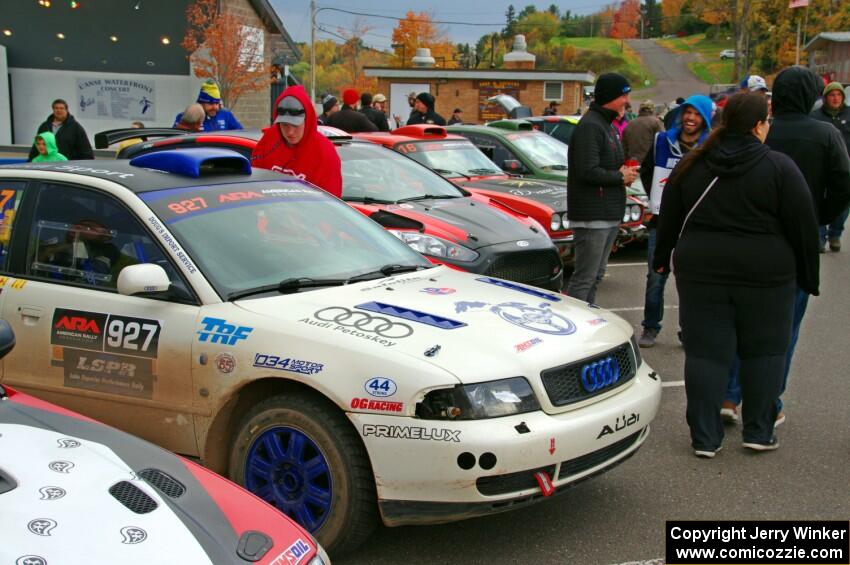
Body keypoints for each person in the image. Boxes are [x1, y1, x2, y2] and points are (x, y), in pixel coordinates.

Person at [653, 92, 820, 457]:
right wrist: (810, 275)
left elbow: (669, 216)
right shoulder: (779, 167)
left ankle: (705, 437)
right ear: (759, 125)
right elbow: (803, 225)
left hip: (701, 270)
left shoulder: (694, 164)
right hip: (767, 272)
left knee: (706, 354)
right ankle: (758, 431)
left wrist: (662, 258)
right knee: (764, 351)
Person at [720, 67, 850, 425]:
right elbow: (844, 183)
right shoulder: (825, 133)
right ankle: (767, 402)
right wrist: (818, 216)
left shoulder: (761, 130)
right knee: (783, 328)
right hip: (798, 241)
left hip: (749, 236)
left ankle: (730, 396)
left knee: (742, 322)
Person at [637, 94, 712, 348]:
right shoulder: (662, 141)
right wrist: (656, 198)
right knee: (656, 276)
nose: (691, 118)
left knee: (691, 281)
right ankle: (650, 326)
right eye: (688, 113)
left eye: (697, 114)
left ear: (705, 118)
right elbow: (646, 171)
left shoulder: (709, 146)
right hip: (662, 221)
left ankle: (688, 330)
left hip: (694, 224)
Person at [566, 72, 638, 304]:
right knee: (585, 278)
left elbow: (607, 166)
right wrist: (619, 176)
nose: (627, 101)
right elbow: (587, 171)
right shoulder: (590, 126)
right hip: (592, 216)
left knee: (596, 276)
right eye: (624, 96)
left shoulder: (608, 126)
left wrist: (624, 174)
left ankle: (589, 323)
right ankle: (576, 328)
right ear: (611, 96)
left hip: (608, 214)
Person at [251, 85, 342, 198]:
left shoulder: (325, 152)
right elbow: (254, 180)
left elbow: (331, 202)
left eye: (296, 125)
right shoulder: (270, 139)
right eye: (284, 125)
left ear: (307, 120)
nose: (290, 132)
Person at [811, 81, 850, 252]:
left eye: (839, 95)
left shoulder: (849, 114)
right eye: (832, 95)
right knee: (818, 200)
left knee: (843, 201)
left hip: (845, 166)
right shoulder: (815, 116)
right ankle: (820, 237)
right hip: (821, 165)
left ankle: (835, 233)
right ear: (826, 97)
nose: (835, 98)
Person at [28, 99, 94, 161]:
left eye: (61, 108)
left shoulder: (75, 127)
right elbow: (36, 146)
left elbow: (85, 148)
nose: (59, 110)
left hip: (67, 165)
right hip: (46, 164)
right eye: (56, 108)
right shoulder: (44, 126)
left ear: (67, 110)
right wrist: (30, 161)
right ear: (53, 110)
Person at [173, 80, 242, 132]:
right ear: (201, 103)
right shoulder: (187, 116)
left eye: (217, 103)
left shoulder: (226, 115)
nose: (215, 107)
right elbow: (175, 140)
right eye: (211, 103)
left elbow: (240, 134)